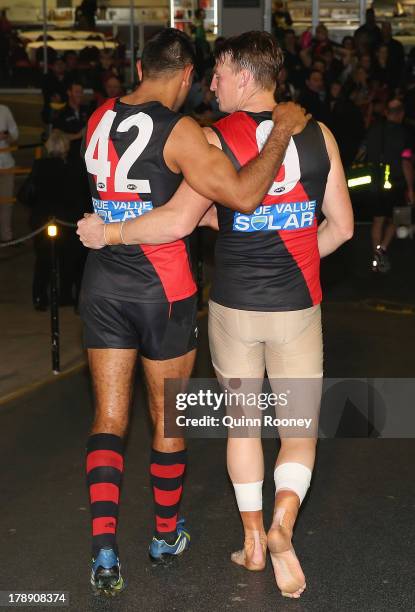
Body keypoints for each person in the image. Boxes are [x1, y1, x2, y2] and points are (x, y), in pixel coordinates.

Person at [77, 30, 354, 599]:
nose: (210, 83)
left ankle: (245, 540)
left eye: (221, 73)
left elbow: (195, 214)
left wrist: (111, 228)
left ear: (246, 76)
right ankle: (261, 527)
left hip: (198, 297)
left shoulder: (190, 132)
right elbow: (343, 227)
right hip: (276, 300)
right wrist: (298, 247)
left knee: (233, 425)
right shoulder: (317, 134)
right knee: (291, 431)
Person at [18, 130, 91, 309]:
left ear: (48, 146)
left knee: (44, 260)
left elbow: (25, 195)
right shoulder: (78, 166)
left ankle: (40, 298)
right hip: (71, 221)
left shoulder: (40, 166)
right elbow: (86, 195)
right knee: (72, 261)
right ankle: (68, 296)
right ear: (66, 147)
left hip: (44, 220)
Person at [359, 98, 414, 272]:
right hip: (396, 183)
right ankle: (382, 249)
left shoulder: (374, 129)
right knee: (398, 219)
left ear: (386, 112)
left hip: (375, 182)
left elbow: (362, 152)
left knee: (378, 220)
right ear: (401, 114)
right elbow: (406, 161)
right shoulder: (405, 134)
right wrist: (411, 188)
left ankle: (376, 257)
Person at [52, 81, 89, 160]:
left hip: (87, 155)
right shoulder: (61, 112)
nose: (79, 95)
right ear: (69, 93)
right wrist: (78, 135)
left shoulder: (87, 110)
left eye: (81, 92)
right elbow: (56, 136)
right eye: (76, 92)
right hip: (69, 155)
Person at [0, 103, 18, 243]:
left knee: (7, 202)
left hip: (7, 163)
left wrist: (6, 136)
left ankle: (7, 236)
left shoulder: (4, 110)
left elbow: (15, 133)